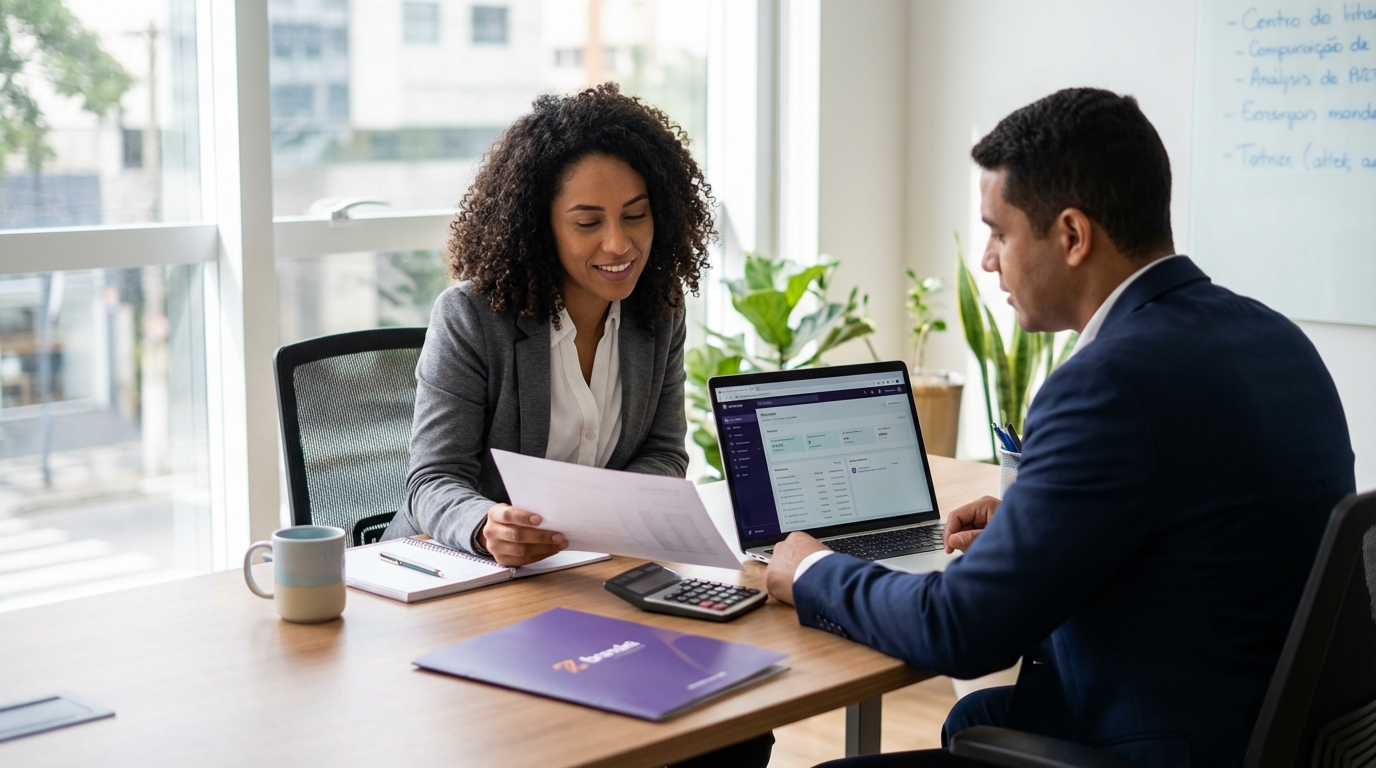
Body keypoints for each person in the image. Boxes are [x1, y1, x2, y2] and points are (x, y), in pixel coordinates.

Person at [765, 88, 1355, 767]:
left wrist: (810, 569)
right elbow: (1200, 533)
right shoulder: (1272, 337)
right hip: (1254, 728)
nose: (989, 261)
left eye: (999, 232)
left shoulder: (1107, 383)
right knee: (976, 716)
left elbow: (961, 629)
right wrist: (1033, 522)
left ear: (1073, 235)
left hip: (1163, 746)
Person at [381, 84, 774, 767]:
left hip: (591, 586)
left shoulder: (659, 312)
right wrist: (486, 525)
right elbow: (431, 478)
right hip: (471, 592)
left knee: (734, 736)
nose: (619, 244)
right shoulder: (473, 317)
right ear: (542, 224)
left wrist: (610, 515)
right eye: (587, 222)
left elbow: (661, 452)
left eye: (636, 216)